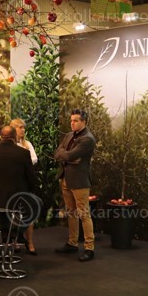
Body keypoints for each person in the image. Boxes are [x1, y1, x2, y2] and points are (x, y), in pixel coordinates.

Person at [0, 125, 38, 253]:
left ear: (1, 136)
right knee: (36, 205)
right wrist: (32, 190)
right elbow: (31, 177)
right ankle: (17, 235)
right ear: (14, 137)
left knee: (4, 214)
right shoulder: (23, 153)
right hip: (17, 198)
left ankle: (7, 241)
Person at [54, 109, 96, 262]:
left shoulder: (88, 139)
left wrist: (66, 155)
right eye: (71, 120)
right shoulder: (69, 135)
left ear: (84, 122)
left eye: (75, 120)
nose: (72, 123)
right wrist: (67, 156)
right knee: (71, 212)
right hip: (66, 178)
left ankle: (89, 248)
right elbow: (57, 153)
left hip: (79, 181)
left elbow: (69, 155)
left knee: (84, 214)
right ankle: (72, 243)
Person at [10, 118, 38, 253]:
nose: (23, 130)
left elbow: (34, 159)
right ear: (13, 129)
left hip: (26, 183)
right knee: (14, 213)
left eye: (23, 127)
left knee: (29, 212)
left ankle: (30, 242)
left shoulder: (27, 144)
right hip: (13, 184)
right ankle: (14, 241)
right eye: (20, 127)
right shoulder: (9, 146)